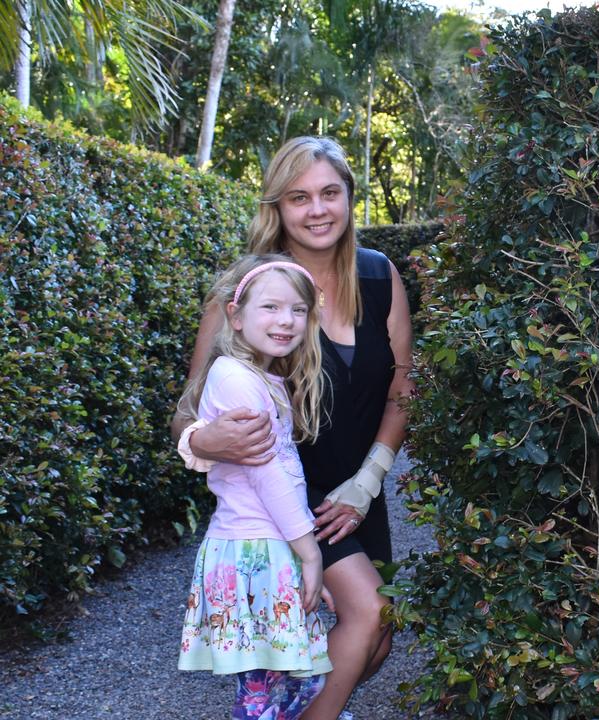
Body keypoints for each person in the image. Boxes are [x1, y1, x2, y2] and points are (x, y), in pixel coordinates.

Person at [172, 136, 413, 720]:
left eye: (330, 193)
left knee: (375, 642)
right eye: (299, 197)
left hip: (357, 491)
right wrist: (202, 440)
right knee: (368, 614)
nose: (317, 209)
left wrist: (368, 482)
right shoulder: (247, 291)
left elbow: (403, 390)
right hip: (284, 493)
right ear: (277, 208)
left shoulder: (380, 278)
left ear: (350, 198)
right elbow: (188, 410)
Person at [176, 254, 332, 719]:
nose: (286, 320)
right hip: (251, 551)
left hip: (268, 545)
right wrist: (310, 553)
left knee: (299, 677)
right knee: (263, 686)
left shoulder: (265, 378)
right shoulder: (236, 378)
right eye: (270, 307)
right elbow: (267, 475)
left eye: (298, 310)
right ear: (236, 316)